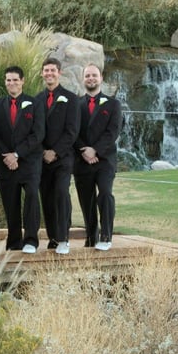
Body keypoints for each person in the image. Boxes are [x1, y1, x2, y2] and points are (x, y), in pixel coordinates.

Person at [0, 65, 45, 253]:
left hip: (29, 162)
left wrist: (17, 154)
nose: (11, 83)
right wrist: (7, 156)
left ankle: (31, 240)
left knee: (31, 198)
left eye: (15, 80)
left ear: (22, 81)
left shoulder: (34, 103)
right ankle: (14, 242)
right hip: (5, 163)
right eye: (8, 80)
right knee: (10, 203)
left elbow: (37, 134)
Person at [74, 64, 123, 251]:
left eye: (94, 75)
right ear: (83, 78)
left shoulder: (113, 104)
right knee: (86, 200)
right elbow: (71, 132)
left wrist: (95, 150)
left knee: (105, 193)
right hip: (82, 160)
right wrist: (83, 150)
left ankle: (106, 235)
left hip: (105, 160)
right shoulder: (76, 105)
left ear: (101, 78)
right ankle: (91, 235)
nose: (91, 78)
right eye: (87, 75)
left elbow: (113, 132)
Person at [35, 58, 79, 255]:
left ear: (59, 73)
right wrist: (43, 151)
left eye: (52, 70)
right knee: (46, 196)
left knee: (61, 193)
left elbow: (72, 130)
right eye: (46, 70)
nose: (49, 73)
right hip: (42, 158)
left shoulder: (71, 98)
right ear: (42, 73)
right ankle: (53, 237)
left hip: (63, 157)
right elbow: (34, 129)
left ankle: (63, 238)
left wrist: (56, 151)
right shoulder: (36, 100)